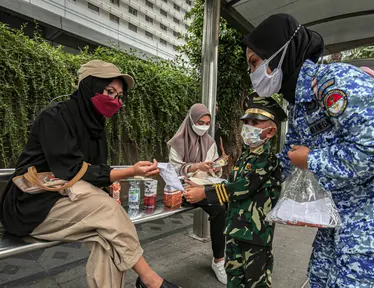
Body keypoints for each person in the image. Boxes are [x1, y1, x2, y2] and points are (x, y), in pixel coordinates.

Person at [0, 60, 180, 288]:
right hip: (31, 206)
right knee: (108, 211)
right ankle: (150, 279)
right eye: (109, 92)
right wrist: (130, 172)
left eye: (119, 95)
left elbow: (97, 173)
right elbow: (73, 170)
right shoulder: (54, 117)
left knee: (105, 238)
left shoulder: (95, 126)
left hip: (69, 201)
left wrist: (124, 176)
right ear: (89, 86)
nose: (115, 100)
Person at [243, 13, 374, 288]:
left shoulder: (335, 82)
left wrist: (311, 160)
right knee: (318, 278)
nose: (253, 73)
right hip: (336, 219)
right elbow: (288, 156)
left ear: (280, 53)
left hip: (370, 224)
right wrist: (245, 179)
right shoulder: (299, 101)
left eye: (255, 63)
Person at [183, 92, 286, 288]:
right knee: (234, 280)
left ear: (271, 132)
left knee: (256, 283)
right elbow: (230, 185)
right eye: (246, 122)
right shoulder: (246, 156)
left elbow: (241, 188)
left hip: (255, 236)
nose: (248, 128)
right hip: (234, 230)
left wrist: (204, 192)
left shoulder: (267, 160)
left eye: (255, 123)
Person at [167, 103, 227, 284]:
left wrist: (217, 167)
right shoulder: (177, 142)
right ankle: (219, 260)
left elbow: (214, 169)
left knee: (228, 204)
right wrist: (196, 166)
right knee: (220, 208)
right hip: (184, 188)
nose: (203, 126)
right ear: (191, 120)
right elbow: (174, 169)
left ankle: (223, 257)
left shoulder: (210, 142)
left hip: (206, 185)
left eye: (207, 123)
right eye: (200, 122)